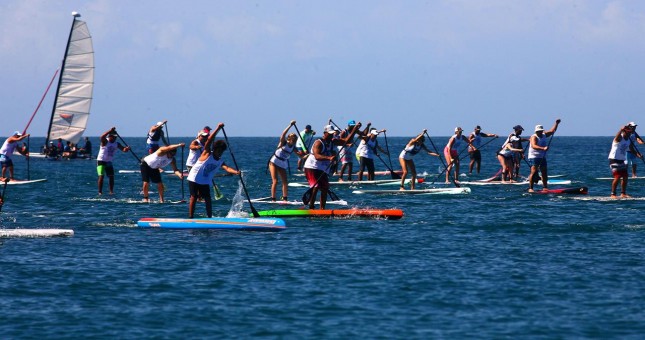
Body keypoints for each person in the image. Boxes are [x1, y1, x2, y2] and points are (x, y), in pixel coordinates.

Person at [187, 123, 240, 218]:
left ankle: (209, 217)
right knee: (194, 197)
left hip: (204, 181)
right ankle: (190, 218)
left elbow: (227, 168)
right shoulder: (207, 153)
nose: (220, 153)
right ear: (214, 149)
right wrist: (218, 128)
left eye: (221, 152)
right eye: (218, 151)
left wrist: (236, 172)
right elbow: (210, 140)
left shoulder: (219, 161)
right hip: (194, 177)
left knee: (208, 198)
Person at [305, 122, 361, 209]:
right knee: (316, 187)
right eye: (330, 134)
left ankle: (322, 209)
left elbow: (347, 141)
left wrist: (354, 130)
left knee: (325, 188)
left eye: (333, 134)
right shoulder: (318, 143)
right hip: (311, 167)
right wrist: (329, 158)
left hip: (322, 169)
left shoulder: (333, 141)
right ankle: (311, 207)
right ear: (325, 133)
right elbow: (317, 156)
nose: (332, 136)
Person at [269, 120, 302, 201]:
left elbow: (301, 156)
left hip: (282, 163)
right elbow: (283, 134)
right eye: (293, 140)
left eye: (295, 141)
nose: (294, 142)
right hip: (274, 162)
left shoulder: (293, 147)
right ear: (289, 139)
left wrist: (308, 155)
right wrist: (290, 125)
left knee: (285, 182)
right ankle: (273, 199)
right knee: (275, 181)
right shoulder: (283, 142)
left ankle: (285, 199)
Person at [527, 119, 561, 193]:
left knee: (544, 171)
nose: (540, 132)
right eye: (538, 131)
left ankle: (545, 187)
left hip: (542, 156)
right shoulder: (534, 137)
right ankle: (530, 188)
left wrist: (556, 123)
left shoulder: (544, 135)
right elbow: (533, 146)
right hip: (534, 157)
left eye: (541, 131)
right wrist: (543, 148)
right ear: (536, 131)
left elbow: (552, 131)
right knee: (534, 171)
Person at [96, 127, 130, 195]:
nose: (115, 138)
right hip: (101, 161)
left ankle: (111, 191)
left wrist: (127, 149)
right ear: (110, 136)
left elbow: (123, 150)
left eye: (116, 137)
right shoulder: (105, 141)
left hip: (109, 161)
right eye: (113, 137)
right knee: (101, 176)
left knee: (111, 176)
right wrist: (110, 130)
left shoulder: (117, 144)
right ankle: (100, 192)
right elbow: (101, 136)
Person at [608, 124, 637, 198]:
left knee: (625, 176)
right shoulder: (619, 138)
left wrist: (639, 155)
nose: (629, 134)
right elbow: (617, 137)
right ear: (624, 132)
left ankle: (623, 193)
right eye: (628, 132)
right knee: (617, 176)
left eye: (630, 133)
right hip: (614, 159)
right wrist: (621, 130)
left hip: (621, 160)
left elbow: (631, 149)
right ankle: (613, 194)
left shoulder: (628, 141)